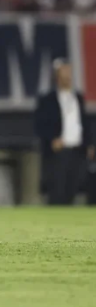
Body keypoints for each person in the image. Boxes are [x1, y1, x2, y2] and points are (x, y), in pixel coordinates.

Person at [34, 59, 95, 205]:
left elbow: (85, 123)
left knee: (74, 188)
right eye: (64, 72)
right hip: (59, 153)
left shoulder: (77, 98)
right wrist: (52, 140)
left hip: (78, 151)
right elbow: (39, 124)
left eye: (69, 71)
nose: (67, 75)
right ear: (56, 76)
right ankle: (53, 224)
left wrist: (90, 144)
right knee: (57, 191)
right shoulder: (47, 100)